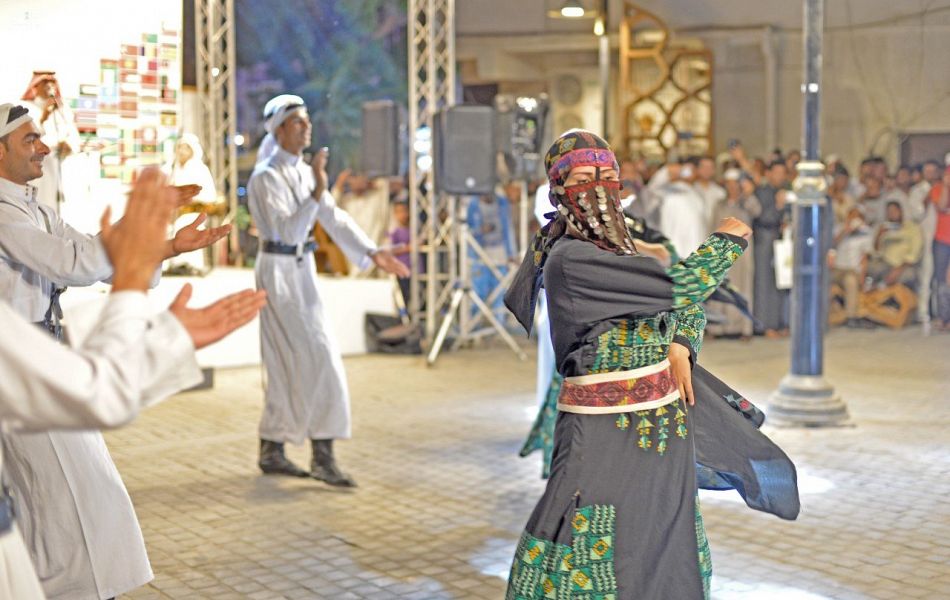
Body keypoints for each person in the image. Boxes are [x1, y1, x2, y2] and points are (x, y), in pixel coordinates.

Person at [504, 130, 798, 599]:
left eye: (607, 176)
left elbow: (686, 307)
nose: (598, 188)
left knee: (666, 546)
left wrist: (680, 344)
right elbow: (682, 287)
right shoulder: (572, 260)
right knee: (588, 551)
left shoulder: (622, 251)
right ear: (559, 191)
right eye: (583, 179)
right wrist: (727, 239)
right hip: (602, 435)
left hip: (662, 431)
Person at [0, 165, 265, 600]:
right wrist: (136, 282)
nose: (44, 148)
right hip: (31, 369)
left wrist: (160, 248)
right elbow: (74, 264)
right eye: (30, 139)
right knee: (71, 506)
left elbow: (88, 252)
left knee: (66, 507)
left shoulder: (36, 209)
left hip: (39, 362)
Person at [247, 95, 409, 487]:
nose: (307, 128)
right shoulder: (265, 178)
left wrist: (371, 251)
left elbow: (334, 218)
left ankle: (272, 449)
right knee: (317, 359)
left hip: (300, 270)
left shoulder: (304, 173)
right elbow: (287, 231)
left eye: (307, 121)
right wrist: (318, 189)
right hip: (277, 270)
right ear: (279, 130)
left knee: (294, 360)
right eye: (298, 122)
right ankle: (322, 456)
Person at [707, 170, 762, 339]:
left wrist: (748, 194)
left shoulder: (747, 203)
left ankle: (744, 329)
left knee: (743, 288)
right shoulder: (719, 204)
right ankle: (717, 329)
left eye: (735, 184)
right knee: (720, 287)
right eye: (729, 184)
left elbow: (757, 211)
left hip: (742, 252)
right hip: (721, 250)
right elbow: (712, 227)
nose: (732, 188)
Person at [21, 71, 80, 212]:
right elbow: (23, 139)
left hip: (61, 169)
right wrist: (43, 117)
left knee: (60, 212)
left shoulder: (63, 110)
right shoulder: (25, 108)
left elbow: (75, 137)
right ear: (35, 86)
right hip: (39, 171)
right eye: (45, 81)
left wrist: (69, 146)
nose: (50, 85)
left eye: (52, 81)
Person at [163, 133, 218, 273]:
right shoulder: (171, 168)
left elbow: (210, 195)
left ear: (193, 150)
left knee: (187, 225)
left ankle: (189, 265)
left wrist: (189, 202)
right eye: (179, 147)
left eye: (186, 148)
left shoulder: (200, 169)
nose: (182, 151)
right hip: (172, 212)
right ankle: (171, 265)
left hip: (192, 211)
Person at [752, 160, 790, 337]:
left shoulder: (784, 191)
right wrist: (778, 206)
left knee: (780, 284)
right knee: (764, 284)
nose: (780, 176)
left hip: (780, 243)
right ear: (768, 173)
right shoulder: (762, 192)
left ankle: (779, 323)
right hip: (764, 242)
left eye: (783, 173)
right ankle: (764, 325)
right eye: (777, 172)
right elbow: (762, 217)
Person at [467, 192, 516, 319]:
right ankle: (474, 324)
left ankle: (499, 324)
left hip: (499, 252)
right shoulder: (472, 205)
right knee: (479, 292)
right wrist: (480, 230)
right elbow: (466, 231)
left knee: (500, 292)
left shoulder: (502, 202)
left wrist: (511, 253)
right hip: (479, 253)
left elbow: (508, 229)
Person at [829, 207, 874, 328]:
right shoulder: (839, 228)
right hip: (837, 268)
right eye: (851, 216)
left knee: (851, 281)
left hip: (852, 270)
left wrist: (863, 276)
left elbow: (865, 257)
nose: (853, 219)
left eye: (856, 216)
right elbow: (832, 245)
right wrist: (845, 231)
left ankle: (851, 317)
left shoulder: (866, 232)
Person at [657, 159, 707, 257]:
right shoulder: (669, 194)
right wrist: (670, 171)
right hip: (677, 253)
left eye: (692, 169)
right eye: (685, 169)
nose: (689, 172)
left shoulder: (696, 195)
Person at [929, 166, 950, 330]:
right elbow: (942, 206)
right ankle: (944, 317)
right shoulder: (937, 189)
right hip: (942, 240)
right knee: (941, 280)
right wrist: (946, 187)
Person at [388, 199, 413, 307]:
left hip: (415, 269)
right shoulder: (394, 231)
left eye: (404, 211)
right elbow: (390, 250)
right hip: (401, 270)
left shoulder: (414, 229)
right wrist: (408, 248)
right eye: (399, 212)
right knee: (404, 299)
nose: (403, 214)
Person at [692, 155, 726, 232]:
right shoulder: (691, 190)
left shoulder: (720, 192)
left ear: (714, 170)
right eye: (703, 167)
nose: (706, 170)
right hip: (694, 233)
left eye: (710, 167)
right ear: (697, 169)